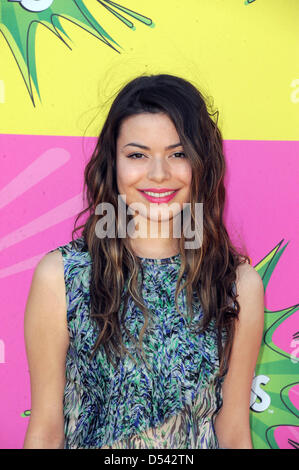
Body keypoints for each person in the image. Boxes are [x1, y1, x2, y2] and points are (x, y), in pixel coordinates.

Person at [23, 74, 265, 449]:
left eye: (178, 153)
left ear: (202, 163)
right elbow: (45, 432)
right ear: (112, 163)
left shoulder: (236, 285)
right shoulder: (63, 277)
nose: (158, 174)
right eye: (137, 155)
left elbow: (233, 432)